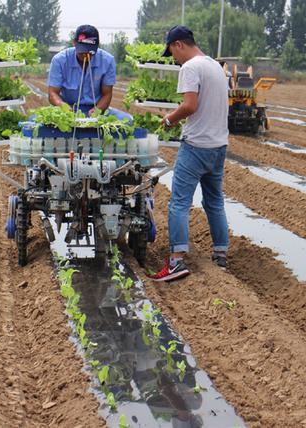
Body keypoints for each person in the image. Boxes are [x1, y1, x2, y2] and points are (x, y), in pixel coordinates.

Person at [148, 26, 230, 282]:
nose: (174, 58)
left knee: (179, 203)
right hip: (218, 146)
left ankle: (176, 262)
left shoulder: (190, 67)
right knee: (214, 201)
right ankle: (220, 255)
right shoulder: (216, 66)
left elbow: (190, 105)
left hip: (196, 146)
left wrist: (170, 120)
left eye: (172, 51)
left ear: (179, 45)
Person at [47, 25, 132, 122]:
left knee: (128, 120)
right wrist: (64, 107)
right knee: (35, 120)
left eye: (91, 52)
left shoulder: (107, 61)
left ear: (97, 47)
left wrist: (97, 110)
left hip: (95, 109)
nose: (86, 55)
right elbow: (53, 93)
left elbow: (107, 94)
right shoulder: (59, 60)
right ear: (74, 43)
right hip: (67, 108)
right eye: (82, 51)